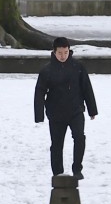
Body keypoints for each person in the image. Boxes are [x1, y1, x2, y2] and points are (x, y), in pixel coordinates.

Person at [34, 37, 98, 180]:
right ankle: (58, 173)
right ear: (54, 52)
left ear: (69, 51)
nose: (63, 56)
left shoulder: (78, 67)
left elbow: (86, 88)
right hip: (55, 114)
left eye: (65, 52)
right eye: (60, 53)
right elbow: (39, 92)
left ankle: (77, 168)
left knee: (80, 138)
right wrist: (39, 115)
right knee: (56, 144)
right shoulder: (47, 70)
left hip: (76, 110)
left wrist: (92, 110)